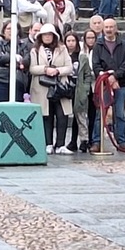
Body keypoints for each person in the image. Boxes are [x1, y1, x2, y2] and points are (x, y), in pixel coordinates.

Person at [29, 23, 74, 154]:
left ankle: (60, 144)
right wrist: (45, 69)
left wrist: (57, 71)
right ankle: (47, 143)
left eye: (50, 34)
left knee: (62, 115)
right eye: (45, 35)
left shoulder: (62, 49)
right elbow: (32, 68)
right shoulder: (35, 50)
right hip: (42, 86)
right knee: (46, 115)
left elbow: (69, 67)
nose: (47, 37)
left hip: (60, 86)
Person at [91, 18, 125, 151]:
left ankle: (121, 141)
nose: (109, 30)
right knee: (100, 114)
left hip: (120, 84)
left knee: (120, 114)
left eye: (111, 27)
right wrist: (107, 78)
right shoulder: (98, 45)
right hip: (103, 84)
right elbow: (96, 64)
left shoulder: (124, 44)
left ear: (116, 28)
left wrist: (115, 76)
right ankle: (97, 141)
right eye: (106, 27)